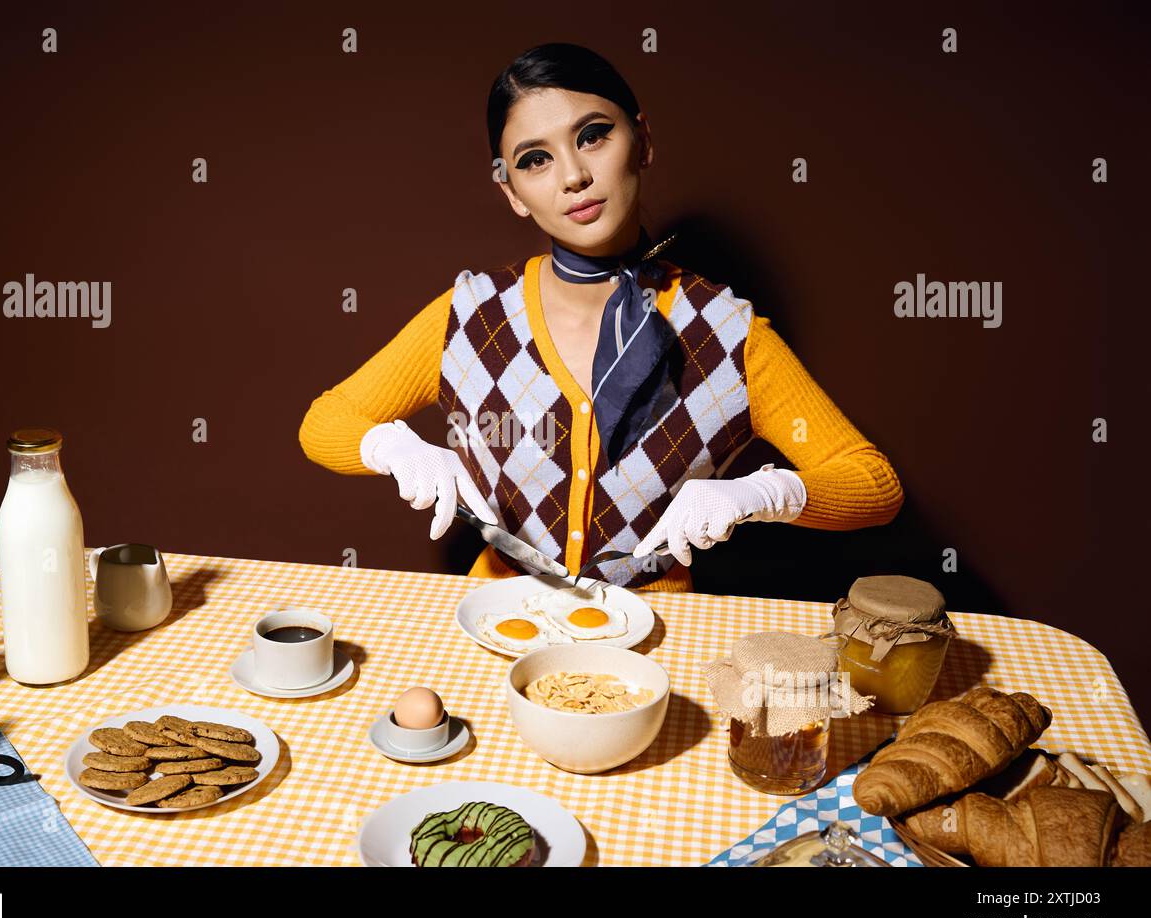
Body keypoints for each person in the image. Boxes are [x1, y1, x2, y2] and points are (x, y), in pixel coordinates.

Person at [299, 42, 903, 592]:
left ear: (642, 140)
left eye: (592, 135)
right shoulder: (471, 316)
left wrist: (765, 493)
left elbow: (874, 485)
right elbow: (323, 421)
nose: (573, 176)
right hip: (495, 624)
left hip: (663, 641)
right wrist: (393, 448)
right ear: (510, 191)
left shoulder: (728, 335)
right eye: (534, 160)